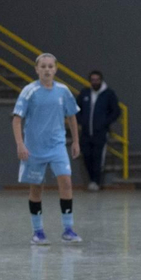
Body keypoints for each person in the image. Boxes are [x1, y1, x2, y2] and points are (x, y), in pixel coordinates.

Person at [13, 53, 82, 245]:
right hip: (34, 149)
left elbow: (72, 116)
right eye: (43, 66)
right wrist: (20, 144)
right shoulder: (29, 91)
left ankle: (68, 229)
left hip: (57, 146)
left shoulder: (63, 91)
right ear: (37, 69)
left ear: (56, 69)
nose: (47, 70)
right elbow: (17, 119)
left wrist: (75, 141)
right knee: (36, 188)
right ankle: (38, 232)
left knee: (66, 182)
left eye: (50, 66)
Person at [76, 69, 121, 191]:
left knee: (97, 157)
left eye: (97, 80)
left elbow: (116, 111)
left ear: (101, 80)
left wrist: (104, 123)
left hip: (100, 132)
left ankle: (96, 181)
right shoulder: (85, 93)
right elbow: (76, 108)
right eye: (93, 80)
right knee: (86, 156)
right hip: (85, 132)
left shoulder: (109, 94)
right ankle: (91, 180)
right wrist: (81, 121)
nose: (95, 82)